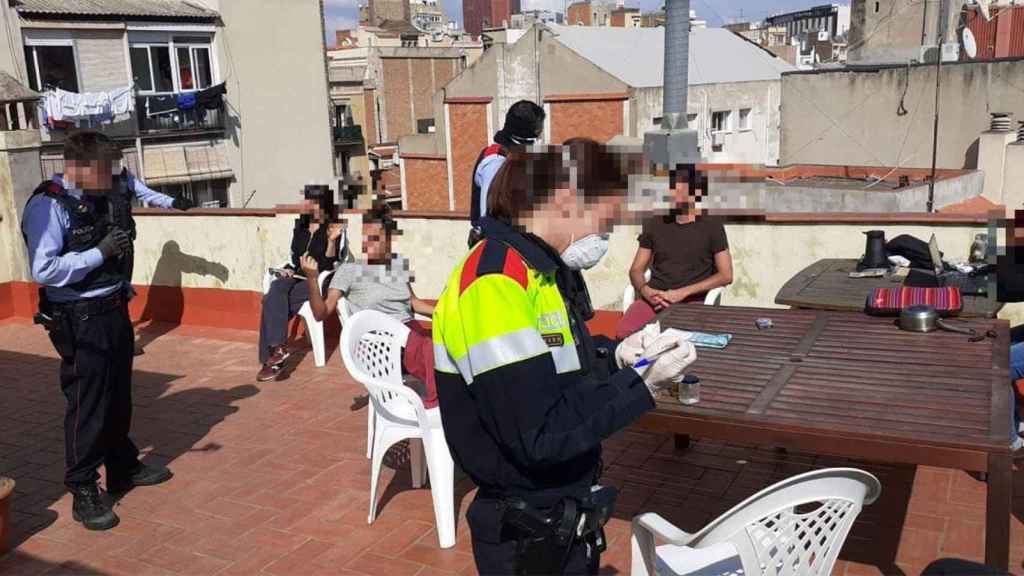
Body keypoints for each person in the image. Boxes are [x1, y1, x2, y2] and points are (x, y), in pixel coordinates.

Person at [433, 140, 698, 575]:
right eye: (605, 219)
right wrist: (642, 382)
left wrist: (616, 357)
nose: (605, 236)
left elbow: (555, 367)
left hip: (559, 512)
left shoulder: (538, 271)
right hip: (526, 531)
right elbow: (540, 433)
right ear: (565, 199)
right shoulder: (496, 283)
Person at [21, 131, 173, 531]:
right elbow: (45, 269)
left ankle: (122, 465)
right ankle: (83, 487)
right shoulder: (48, 205)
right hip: (80, 317)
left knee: (118, 395)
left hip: (113, 308)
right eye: (105, 170)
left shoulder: (98, 194)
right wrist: (98, 253)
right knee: (88, 402)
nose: (113, 177)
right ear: (79, 167)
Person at [301, 204, 438, 407]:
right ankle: (433, 406)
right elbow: (321, 313)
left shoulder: (398, 264)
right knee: (431, 350)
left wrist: (446, 312)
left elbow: (413, 303)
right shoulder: (350, 271)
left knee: (447, 343)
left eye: (377, 238)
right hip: (383, 343)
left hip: (410, 332)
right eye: (367, 237)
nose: (369, 244)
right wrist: (312, 279)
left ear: (389, 240)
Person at [616, 164, 733, 340]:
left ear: (697, 194)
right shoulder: (655, 223)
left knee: (676, 341)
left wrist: (682, 293)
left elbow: (726, 275)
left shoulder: (712, 226)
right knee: (625, 333)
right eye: (673, 189)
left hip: (693, 301)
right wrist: (645, 290)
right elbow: (636, 270)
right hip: (655, 298)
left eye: (682, 190)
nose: (675, 195)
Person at [257, 185, 347, 382]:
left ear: (321, 205)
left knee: (270, 302)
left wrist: (332, 241)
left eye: (310, 201)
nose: (305, 205)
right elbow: (294, 254)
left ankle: (272, 359)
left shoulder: (334, 226)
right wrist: (289, 268)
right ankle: (278, 349)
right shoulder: (300, 225)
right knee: (277, 287)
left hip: (318, 278)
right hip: (297, 275)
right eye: (306, 201)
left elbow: (331, 262)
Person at [468, 100, 546, 248]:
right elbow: (488, 217)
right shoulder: (495, 161)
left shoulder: (516, 157)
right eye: (538, 133)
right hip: (496, 245)